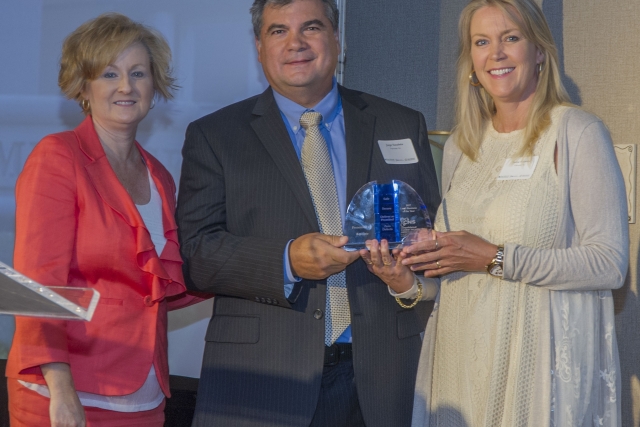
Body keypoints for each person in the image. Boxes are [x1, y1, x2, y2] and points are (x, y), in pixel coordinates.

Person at [175, 0, 440, 425]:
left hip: (382, 376)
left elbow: (431, 239)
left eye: (311, 28)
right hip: (265, 379)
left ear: (337, 38)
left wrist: (411, 276)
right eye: (278, 31)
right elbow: (198, 257)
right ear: (259, 46)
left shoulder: (400, 125)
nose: (295, 43)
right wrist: (287, 260)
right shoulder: (215, 136)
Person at [401, 0, 629, 426]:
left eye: (511, 38)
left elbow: (608, 264)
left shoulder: (577, 132)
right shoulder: (459, 148)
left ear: (539, 51)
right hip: (459, 367)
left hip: (536, 370)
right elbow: (451, 278)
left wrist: (494, 257)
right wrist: (407, 282)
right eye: (482, 42)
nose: (497, 54)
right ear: (471, 60)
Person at [6, 13, 206, 427]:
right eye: (109, 73)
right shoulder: (58, 157)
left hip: (146, 398)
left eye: (138, 73)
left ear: (155, 85)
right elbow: (37, 288)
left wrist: (247, 270)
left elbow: (162, 289)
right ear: (83, 86)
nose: (126, 87)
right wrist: (62, 391)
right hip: (65, 396)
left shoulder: (160, 176)